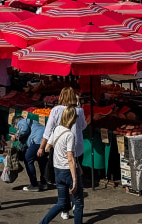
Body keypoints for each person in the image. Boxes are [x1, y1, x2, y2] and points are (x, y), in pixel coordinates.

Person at [38, 87, 87, 219]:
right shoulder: (79, 110)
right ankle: (75, 203)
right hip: (76, 148)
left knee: (63, 186)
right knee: (74, 177)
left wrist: (42, 147)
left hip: (59, 152)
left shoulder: (55, 111)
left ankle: (65, 210)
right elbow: (83, 126)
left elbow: (48, 131)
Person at [11, 115, 47, 191]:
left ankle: (34, 184)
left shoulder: (22, 122)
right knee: (41, 161)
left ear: (15, 123)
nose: (17, 129)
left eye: (16, 128)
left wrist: (16, 136)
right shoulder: (33, 123)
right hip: (44, 139)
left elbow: (24, 130)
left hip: (37, 140)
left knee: (28, 159)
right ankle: (44, 183)